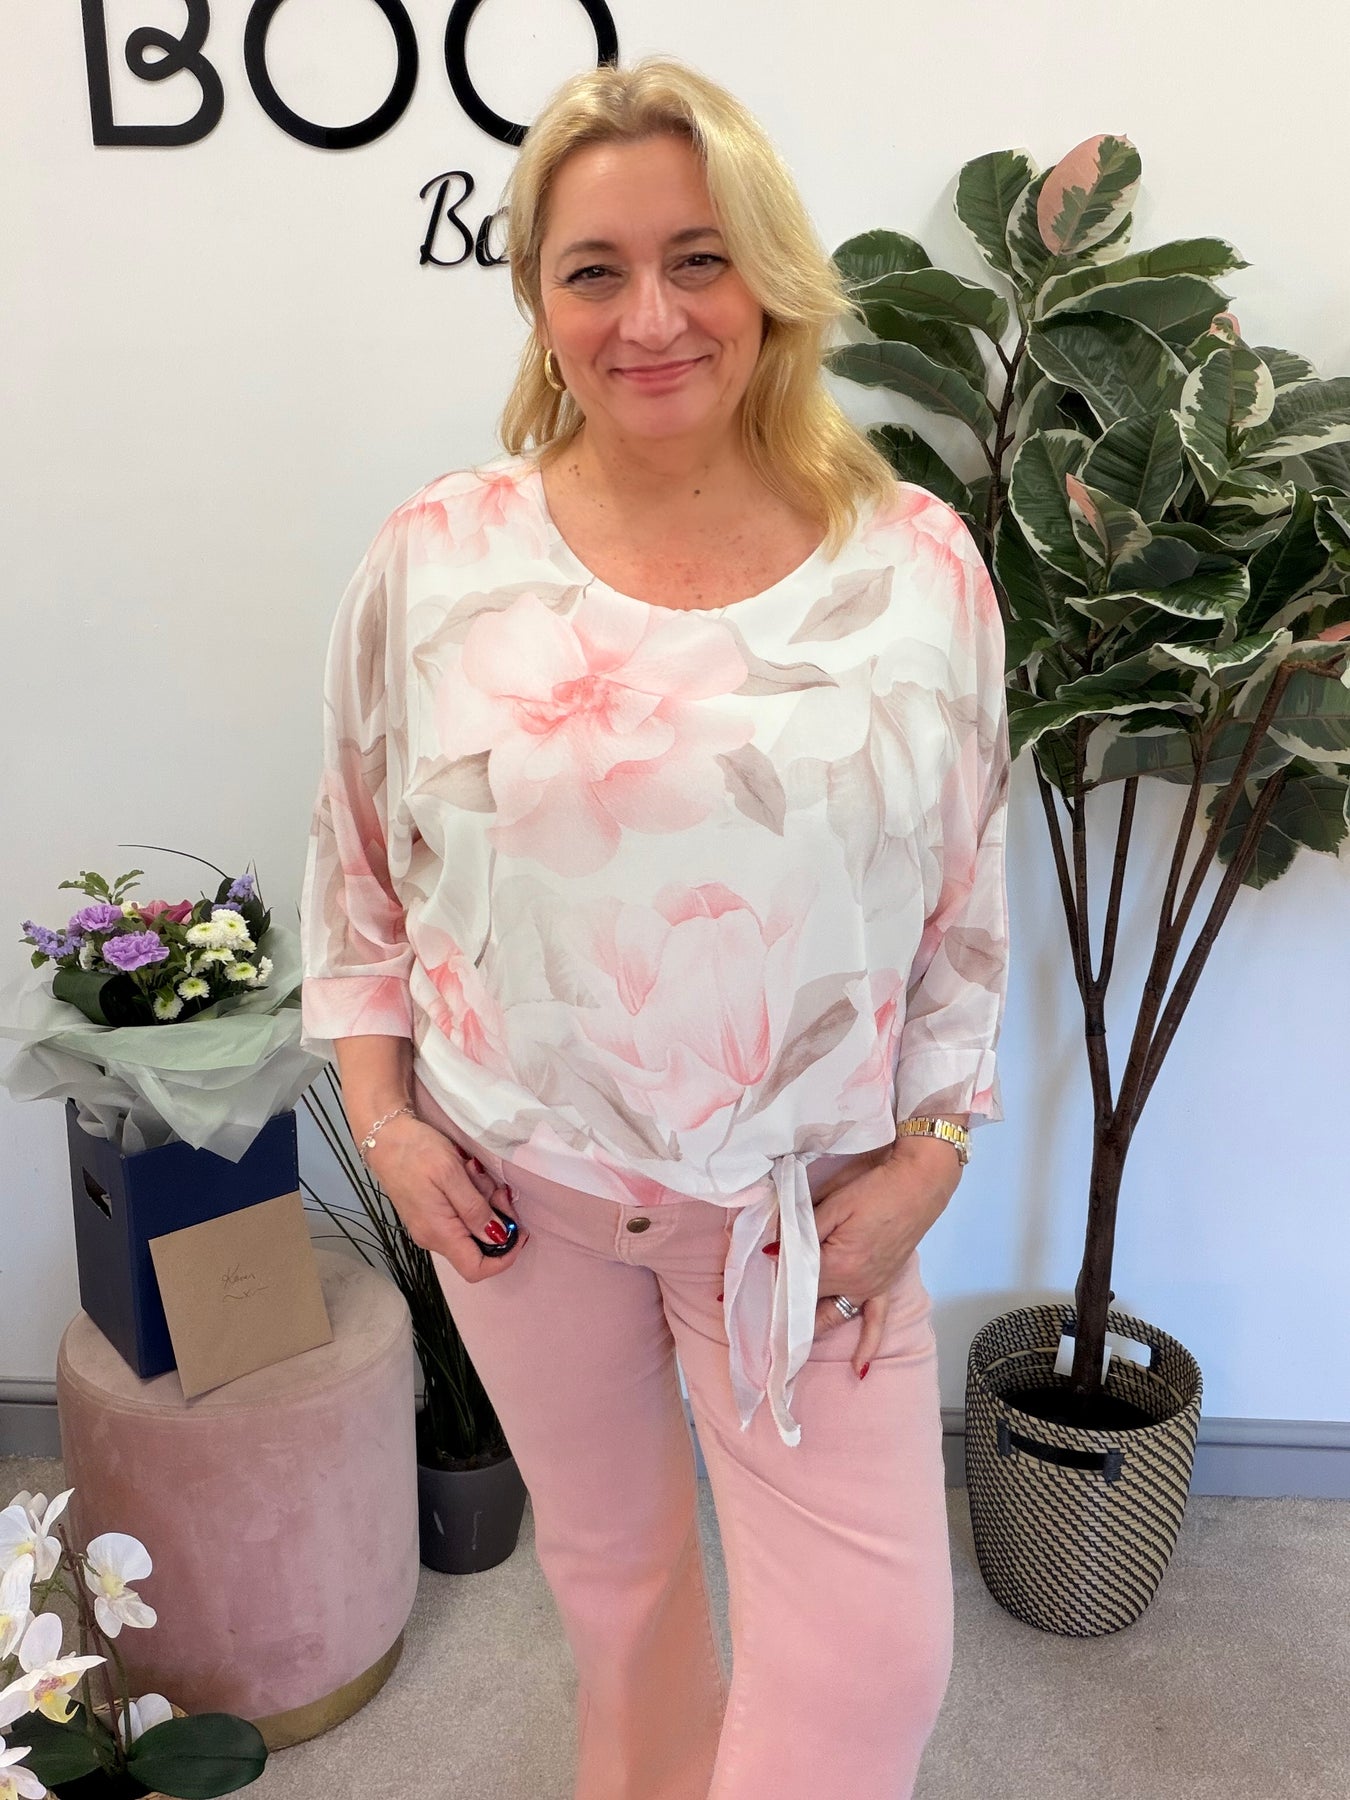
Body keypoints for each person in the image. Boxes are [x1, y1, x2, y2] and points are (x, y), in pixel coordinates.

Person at [299, 53, 1010, 1800]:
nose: (650, 318)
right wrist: (388, 1128)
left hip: (805, 1221)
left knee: (866, 1675)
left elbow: (964, 905)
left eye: (698, 259)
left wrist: (931, 1154)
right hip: (517, 1211)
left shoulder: (915, 565)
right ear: (537, 301)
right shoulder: (436, 559)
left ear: (769, 273)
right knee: (617, 1598)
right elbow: (359, 872)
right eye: (593, 270)